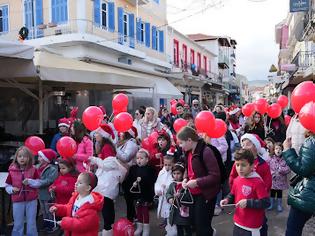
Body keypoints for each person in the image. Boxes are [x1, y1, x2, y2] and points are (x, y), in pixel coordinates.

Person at [177, 126, 221, 236]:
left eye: (181, 143)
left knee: (202, 226)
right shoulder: (188, 152)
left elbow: (215, 176)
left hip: (205, 195)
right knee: (194, 224)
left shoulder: (206, 152)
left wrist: (197, 182)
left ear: (189, 140)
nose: (180, 146)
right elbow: (189, 169)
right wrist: (185, 179)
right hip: (194, 194)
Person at [229, 133, 272, 236]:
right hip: (241, 209)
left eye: (248, 144)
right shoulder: (239, 162)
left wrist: (258, 194)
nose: (245, 147)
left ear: (256, 146)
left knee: (260, 223)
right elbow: (233, 177)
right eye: (243, 145)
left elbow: (267, 184)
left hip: (256, 201)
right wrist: (232, 195)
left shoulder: (263, 164)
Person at [220, 149, 270, 236]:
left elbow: (265, 202)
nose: (240, 168)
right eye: (237, 165)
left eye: (243, 165)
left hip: (252, 226)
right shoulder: (237, 180)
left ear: (252, 166)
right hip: (238, 222)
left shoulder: (257, 182)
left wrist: (248, 203)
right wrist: (227, 200)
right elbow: (232, 194)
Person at [282, 130, 315, 236]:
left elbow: (303, 169)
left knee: (293, 228)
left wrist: (287, 150)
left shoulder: (312, 142)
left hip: (308, 194)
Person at [89, 155, 128, 235]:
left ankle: (107, 230)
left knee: (106, 212)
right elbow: (121, 179)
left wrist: (94, 159)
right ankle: (108, 229)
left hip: (104, 191)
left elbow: (104, 165)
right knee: (108, 211)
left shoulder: (110, 161)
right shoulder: (119, 167)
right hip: (107, 192)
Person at [5, 146, 40, 236]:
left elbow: (39, 182)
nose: (22, 158)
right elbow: (7, 185)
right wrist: (12, 189)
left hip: (32, 200)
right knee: (18, 222)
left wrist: (30, 182)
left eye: (25, 156)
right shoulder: (12, 171)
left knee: (31, 222)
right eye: (20, 156)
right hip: (17, 200)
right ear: (16, 158)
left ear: (29, 158)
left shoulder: (33, 169)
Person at [124, 149, 157, 236]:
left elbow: (153, 181)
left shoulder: (151, 169)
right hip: (136, 194)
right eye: (137, 158)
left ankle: (146, 228)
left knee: (145, 211)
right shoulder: (133, 169)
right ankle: (139, 227)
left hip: (146, 194)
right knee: (138, 211)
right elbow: (129, 180)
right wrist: (133, 183)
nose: (139, 160)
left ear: (147, 159)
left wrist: (143, 181)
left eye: (141, 158)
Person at [25, 149, 59, 233]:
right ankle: (46, 223)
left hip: (48, 193)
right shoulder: (37, 167)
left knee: (49, 210)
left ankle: (52, 225)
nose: (38, 158)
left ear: (46, 158)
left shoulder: (52, 169)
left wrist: (37, 183)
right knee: (43, 210)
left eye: (40, 156)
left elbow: (49, 180)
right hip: (40, 193)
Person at [117, 127, 139, 222]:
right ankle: (131, 216)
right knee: (128, 196)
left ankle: (132, 218)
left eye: (122, 132)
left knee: (129, 197)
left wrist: (115, 149)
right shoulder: (125, 142)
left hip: (130, 173)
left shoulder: (131, 143)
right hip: (125, 172)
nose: (120, 134)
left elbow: (126, 158)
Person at [166, 163, 191, 236]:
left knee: (187, 227)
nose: (176, 175)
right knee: (179, 228)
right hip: (176, 210)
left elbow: (189, 195)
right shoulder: (172, 184)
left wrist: (180, 195)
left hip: (185, 209)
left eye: (178, 173)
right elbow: (168, 193)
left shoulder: (186, 184)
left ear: (183, 174)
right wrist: (170, 198)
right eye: (174, 173)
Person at [154, 155, 175, 235]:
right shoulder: (161, 172)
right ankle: (168, 230)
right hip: (162, 198)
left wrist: (166, 188)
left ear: (173, 164)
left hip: (169, 198)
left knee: (170, 215)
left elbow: (174, 184)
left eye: (169, 165)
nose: (167, 167)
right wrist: (158, 190)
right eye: (165, 165)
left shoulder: (173, 174)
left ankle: (172, 231)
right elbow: (157, 183)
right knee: (165, 214)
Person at [267, 142, 290, 212]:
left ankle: (279, 204)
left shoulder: (285, 159)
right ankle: (271, 203)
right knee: (273, 192)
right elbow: (267, 168)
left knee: (279, 193)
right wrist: (272, 173)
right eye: (276, 148)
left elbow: (288, 168)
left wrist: (281, 170)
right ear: (273, 150)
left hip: (281, 179)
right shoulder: (270, 158)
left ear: (282, 150)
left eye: (280, 148)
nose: (278, 150)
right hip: (273, 179)